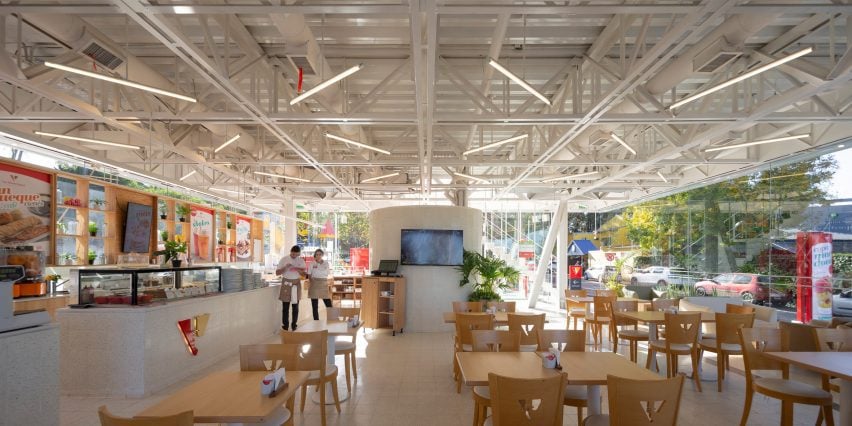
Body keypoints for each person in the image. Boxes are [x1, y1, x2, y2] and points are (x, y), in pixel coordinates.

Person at [276, 245, 305, 330]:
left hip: (296, 283)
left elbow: (304, 274)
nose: (294, 256)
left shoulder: (301, 260)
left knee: (295, 306)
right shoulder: (284, 259)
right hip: (286, 283)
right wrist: (285, 268)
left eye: (296, 255)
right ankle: (285, 326)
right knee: (285, 307)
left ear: (299, 254)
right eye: (293, 254)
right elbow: (277, 273)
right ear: (290, 252)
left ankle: (294, 325)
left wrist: (297, 269)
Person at [307, 249, 333, 320]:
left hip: (323, 283)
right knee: (314, 305)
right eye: (317, 254)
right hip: (314, 284)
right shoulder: (312, 263)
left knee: (328, 303)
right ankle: (316, 321)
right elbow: (309, 274)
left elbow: (327, 273)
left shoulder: (326, 263)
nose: (318, 256)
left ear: (322, 255)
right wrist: (312, 281)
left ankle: (333, 318)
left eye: (320, 254)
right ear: (315, 255)